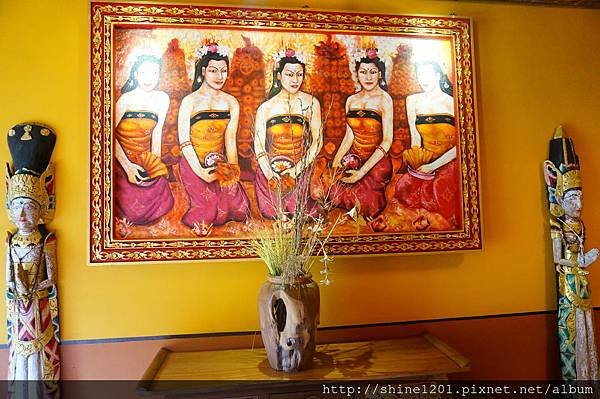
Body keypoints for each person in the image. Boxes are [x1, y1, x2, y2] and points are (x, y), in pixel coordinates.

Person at [6, 123, 60, 398]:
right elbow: (7, 279)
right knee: (20, 355)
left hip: (39, 308)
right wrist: (15, 290)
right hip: (18, 308)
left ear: (41, 209)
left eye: (29, 207)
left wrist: (37, 290)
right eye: (17, 207)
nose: (23, 215)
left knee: (39, 358)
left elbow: (52, 278)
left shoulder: (46, 241)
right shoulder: (10, 242)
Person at [544, 127, 599, 381]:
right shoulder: (558, 226)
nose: (579, 205)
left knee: (586, 325)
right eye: (573, 198)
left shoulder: (581, 224)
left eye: (580, 197)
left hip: (582, 282)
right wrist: (581, 260)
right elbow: (558, 258)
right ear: (559, 197)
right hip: (568, 283)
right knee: (571, 329)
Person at [177, 43, 250, 230]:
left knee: (239, 209)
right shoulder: (189, 102)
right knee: (207, 213)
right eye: (213, 70)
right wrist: (200, 171)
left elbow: (230, 140)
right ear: (203, 70)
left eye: (224, 71)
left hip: (219, 162)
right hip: (193, 162)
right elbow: (184, 142)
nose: (220, 76)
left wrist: (232, 169)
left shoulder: (230, 102)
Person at [253, 48, 322, 218]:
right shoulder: (266, 108)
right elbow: (259, 145)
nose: (295, 80)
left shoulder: (311, 102)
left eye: (299, 74)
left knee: (300, 210)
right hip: (272, 167)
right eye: (289, 74)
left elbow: (318, 141)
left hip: (301, 164)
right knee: (271, 210)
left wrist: (296, 170)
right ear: (278, 75)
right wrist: (270, 173)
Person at [394, 60, 461, 228]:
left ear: (438, 75)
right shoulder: (412, 101)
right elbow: (415, 136)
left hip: (449, 160)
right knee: (404, 186)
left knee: (437, 188)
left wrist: (434, 166)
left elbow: (460, 145)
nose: (424, 79)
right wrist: (418, 162)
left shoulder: (452, 102)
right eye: (420, 74)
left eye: (428, 74)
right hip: (426, 159)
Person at [330, 47, 393, 219]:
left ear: (380, 74)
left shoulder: (385, 99)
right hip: (353, 157)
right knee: (333, 191)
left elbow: (387, 141)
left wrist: (363, 171)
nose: (368, 77)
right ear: (357, 74)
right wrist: (335, 165)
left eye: (373, 72)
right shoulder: (351, 100)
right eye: (363, 72)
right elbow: (349, 136)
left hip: (376, 160)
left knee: (367, 200)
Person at [114, 54, 174, 226]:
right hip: (122, 159)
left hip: (145, 157)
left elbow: (157, 132)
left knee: (160, 189)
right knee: (132, 211)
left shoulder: (162, 98)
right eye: (144, 73)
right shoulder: (126, 100)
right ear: (135, 74)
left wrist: (154, 164)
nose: (149, 78)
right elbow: (109, 136)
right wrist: (128, 166)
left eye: (154, 73)